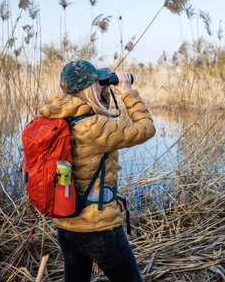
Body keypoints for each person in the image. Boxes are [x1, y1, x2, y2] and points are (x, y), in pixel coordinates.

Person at [39, 60, 155, 282]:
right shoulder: (96, 126)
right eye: (100, 83)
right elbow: (146, 129)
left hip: (67, 225)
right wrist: (127, 92)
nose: (104, 86)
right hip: (99, 227)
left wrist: (99, 93)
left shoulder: (56, 117)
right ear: (90, 88)